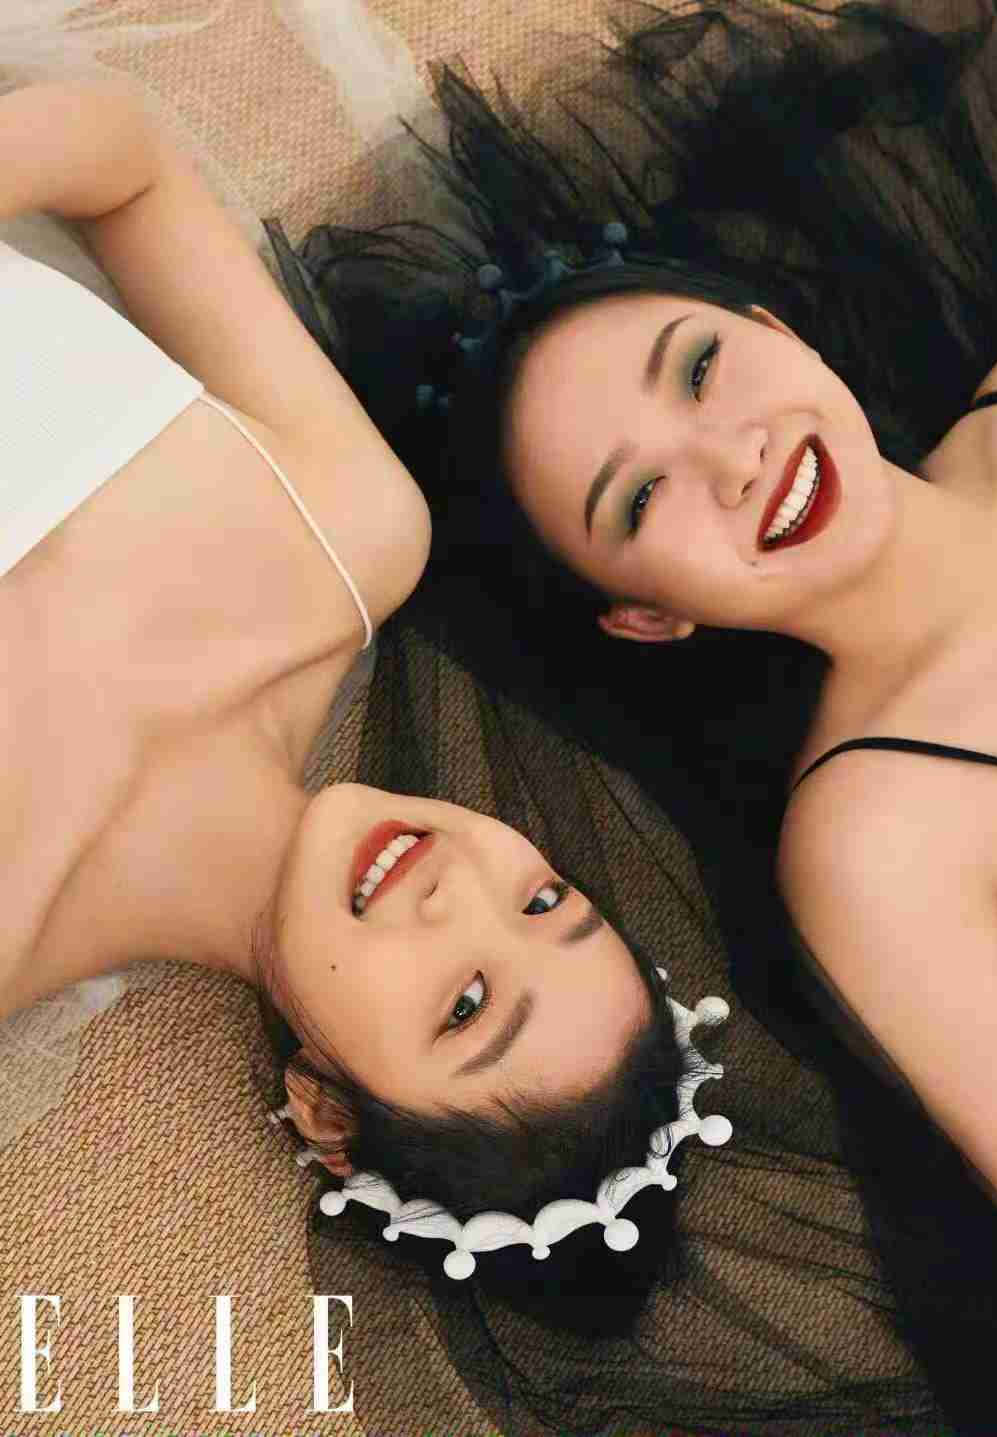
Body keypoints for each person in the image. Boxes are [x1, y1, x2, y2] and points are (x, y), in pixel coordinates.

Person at [0, 40, 937, 1437]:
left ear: (328, 1111)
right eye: (547, 904)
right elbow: (125, 161)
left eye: (462, 1006)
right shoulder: (356, 538)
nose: (461, 891)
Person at [273, 0, 997, 1428]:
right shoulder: (881, 840)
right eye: (641, 499)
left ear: (774, 328)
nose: (732, 458)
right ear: (648, 613)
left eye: (703, 368)